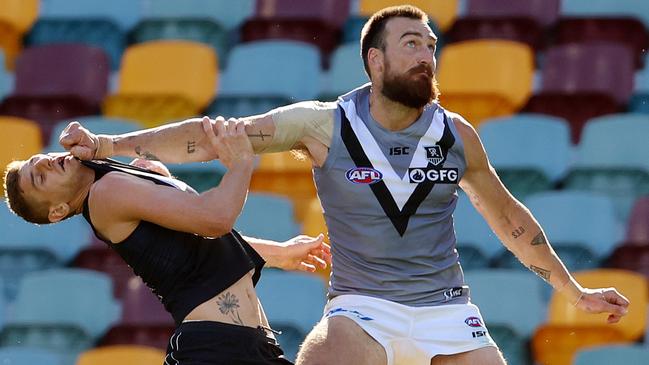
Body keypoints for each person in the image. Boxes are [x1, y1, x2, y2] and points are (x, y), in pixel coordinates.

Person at [57, 5, 630, 365]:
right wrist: (109, 147)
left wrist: (572, 291)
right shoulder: (323, 124)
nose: (427, 54)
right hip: (363, 308)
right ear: (374, 63)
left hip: (449, 310)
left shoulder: (457, 135)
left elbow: (511, 220)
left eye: (431, 45)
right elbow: (211, 139)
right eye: (412, 44)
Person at [3, 118, 331, 365]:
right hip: (214, 349)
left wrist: (280, 253)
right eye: (40, 177)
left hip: (242, 345)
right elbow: (215, 219)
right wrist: (242, 163)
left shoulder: (113, 176)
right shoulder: (106, 193)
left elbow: (200, 244)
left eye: (39, 159)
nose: (45, 162)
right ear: (59, 211)